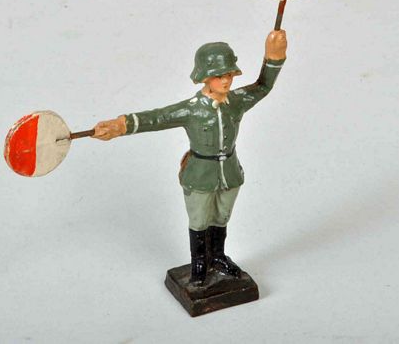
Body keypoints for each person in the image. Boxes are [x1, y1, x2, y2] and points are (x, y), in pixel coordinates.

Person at [92, 30, 287, 285]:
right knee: (199, 219)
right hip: (200, 174)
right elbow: (158, 117)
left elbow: (262, 87)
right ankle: (199, 262)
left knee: (222, 215)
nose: (226, 81)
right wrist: (121, 125)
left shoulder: (237, 101)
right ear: (205, 77)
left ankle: (218, 256)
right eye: (219, 76)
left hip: (229, 172)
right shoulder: (191, 109)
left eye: (229, 74)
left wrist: (274, 57)